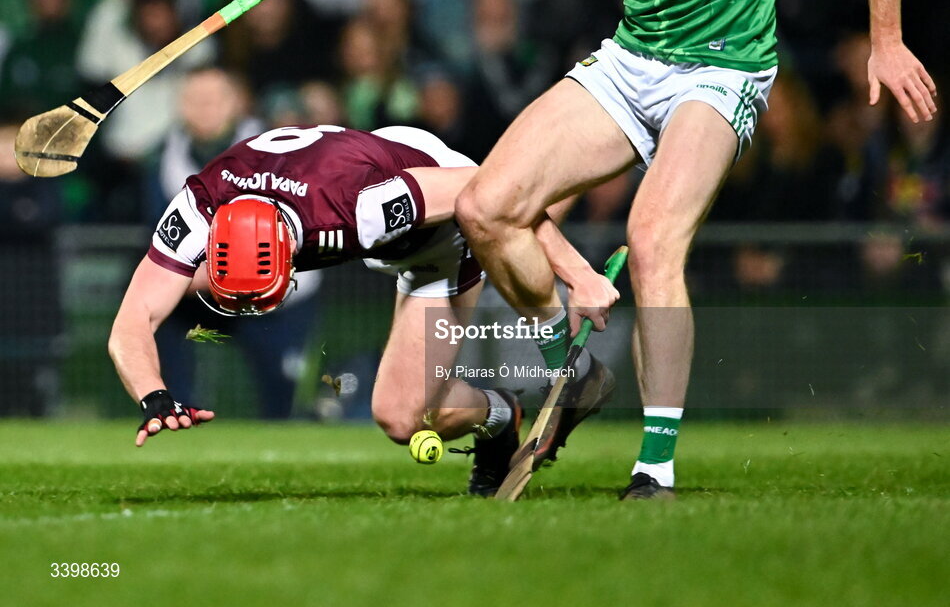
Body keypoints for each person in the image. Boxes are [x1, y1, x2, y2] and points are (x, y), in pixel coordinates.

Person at [294, 0, 937, 500]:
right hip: (633, 62)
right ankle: (569, 360)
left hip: (723, 72)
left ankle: (654, 468)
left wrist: (888, 40)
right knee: (484, 205)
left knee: (652, 236)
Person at [108, 122, 617, 496]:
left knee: (402, 416)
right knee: (404, 420)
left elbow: (490, 193)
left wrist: (578, 276)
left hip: (439, 229)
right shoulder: (199, 205)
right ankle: (502, 416)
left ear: (290, 252)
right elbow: (133, 321)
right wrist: (153, 396)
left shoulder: (361, 206)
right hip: (368, 212)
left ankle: (523, 398)